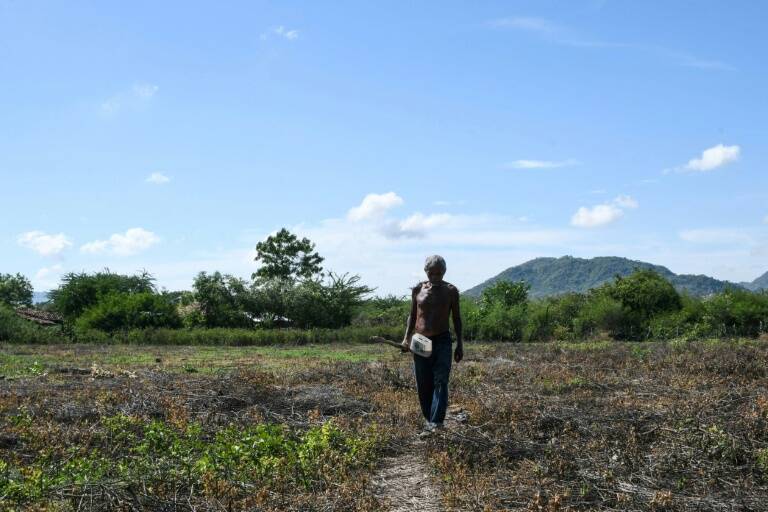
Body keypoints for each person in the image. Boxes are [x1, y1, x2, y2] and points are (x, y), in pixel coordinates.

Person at [401, 255, 463, 433]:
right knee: (423, 382)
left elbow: (457, 319)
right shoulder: (418, 290)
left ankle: (436, 423)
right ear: (425, 271)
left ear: (444, 272)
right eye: (432, 273)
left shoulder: (451, 291)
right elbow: (412, 316)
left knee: (441, 380)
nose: (435, 276)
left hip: (442, 340)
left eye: (439, 273)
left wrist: (460, 344)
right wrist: (406, 338)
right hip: (420, 341)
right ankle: (429, 420)